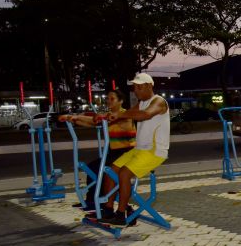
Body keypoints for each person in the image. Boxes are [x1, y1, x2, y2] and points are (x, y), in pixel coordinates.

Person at [96, 73, 170, 227]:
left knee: (124, 173)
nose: (136, 90)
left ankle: (121, 215)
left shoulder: (159, 102)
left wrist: (119, 114)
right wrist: (110, 116)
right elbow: (128, 114)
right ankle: (108, 210)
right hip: (139, 149)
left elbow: (144, 115)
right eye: (134, 87)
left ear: (149, 86)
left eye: (139, 87)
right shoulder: (142, 102)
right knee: (111, 171)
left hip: (154, 151)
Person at [66, 90, 136, 210]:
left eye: (112, 99)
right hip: (113, 153)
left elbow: (98, 120)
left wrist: (77, 117)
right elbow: (93, 122)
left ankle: (104, 203)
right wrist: (73, 118)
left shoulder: (125, 115)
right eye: (107, 99)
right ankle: (92, 201)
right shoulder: (108, 115)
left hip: (126, 152)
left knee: (102, 170)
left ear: (121, 101)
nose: (108, 101)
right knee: (92, 168)